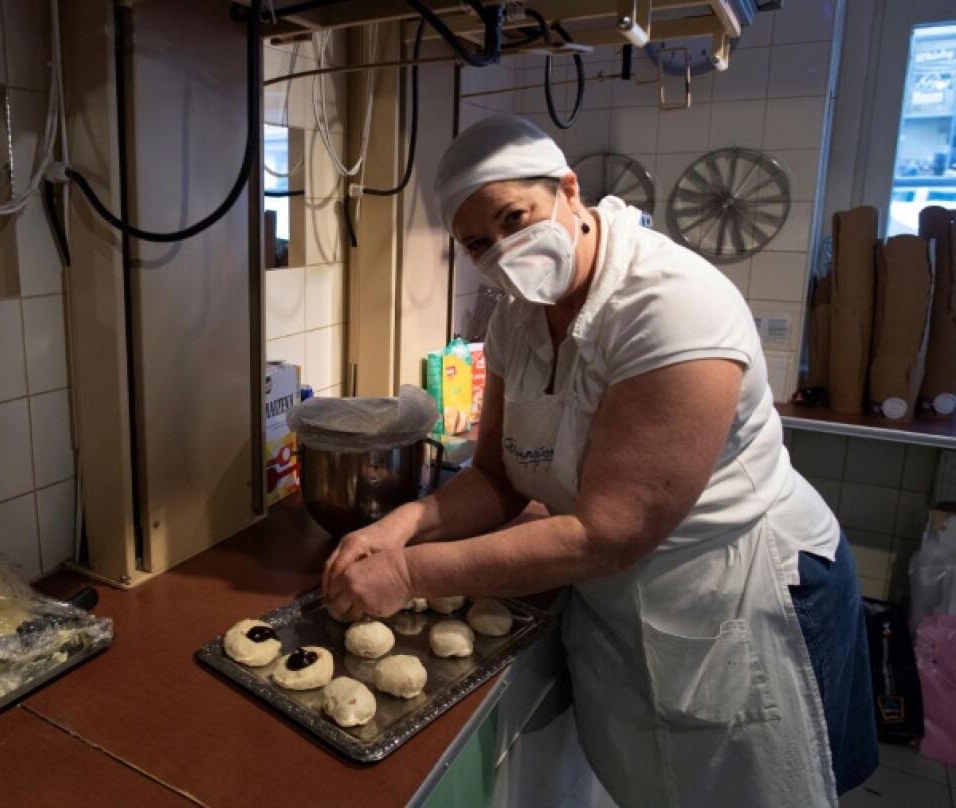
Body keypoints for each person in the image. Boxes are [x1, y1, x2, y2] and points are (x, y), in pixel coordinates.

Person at [321, 114, 877, 806]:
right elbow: (495, 477)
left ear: (569, 190)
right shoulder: (517, 317)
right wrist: (402, 524)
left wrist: (409, 571)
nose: (502, 251)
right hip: (621, 591)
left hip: (736, 591)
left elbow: (609, 531)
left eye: (514, 218)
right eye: (476, 244)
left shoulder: (670, 306)